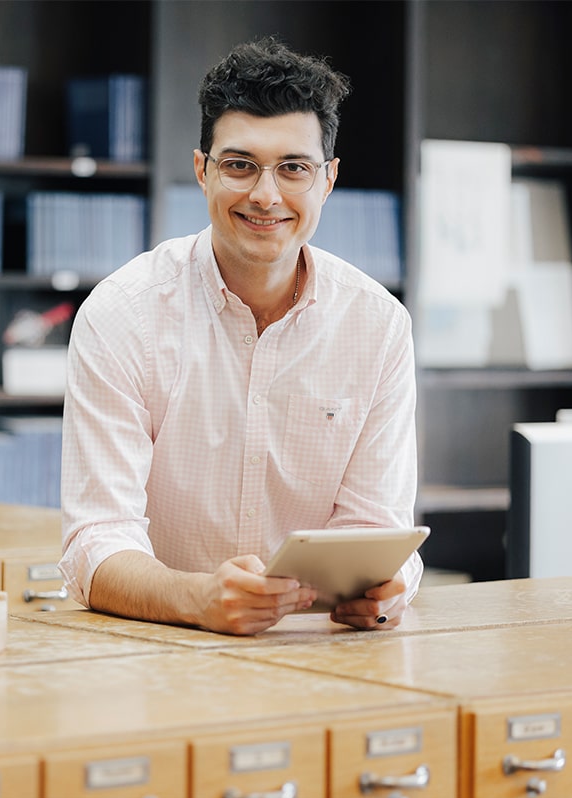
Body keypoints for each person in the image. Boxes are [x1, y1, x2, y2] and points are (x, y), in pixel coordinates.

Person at [58, 37, 423, 635]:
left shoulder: (378, 325)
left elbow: (377, 526)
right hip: (159, 645)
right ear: (202, 171)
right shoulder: (122, 315)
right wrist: (196, 598)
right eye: (239, 165)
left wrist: (388, 586)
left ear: (328, 180)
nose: (265, 195)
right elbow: (95, 542)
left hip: (317, 649)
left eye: (294, 168)